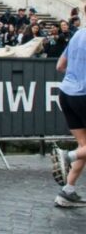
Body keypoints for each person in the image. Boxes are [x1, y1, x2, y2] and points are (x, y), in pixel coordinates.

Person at [51, 27, 86, 207]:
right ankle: (66, 156)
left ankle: (67, 192)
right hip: (84, 94)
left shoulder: (77, 35)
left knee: (84, 146)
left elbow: (60, 66)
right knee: (80, 150)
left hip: (66, 93)